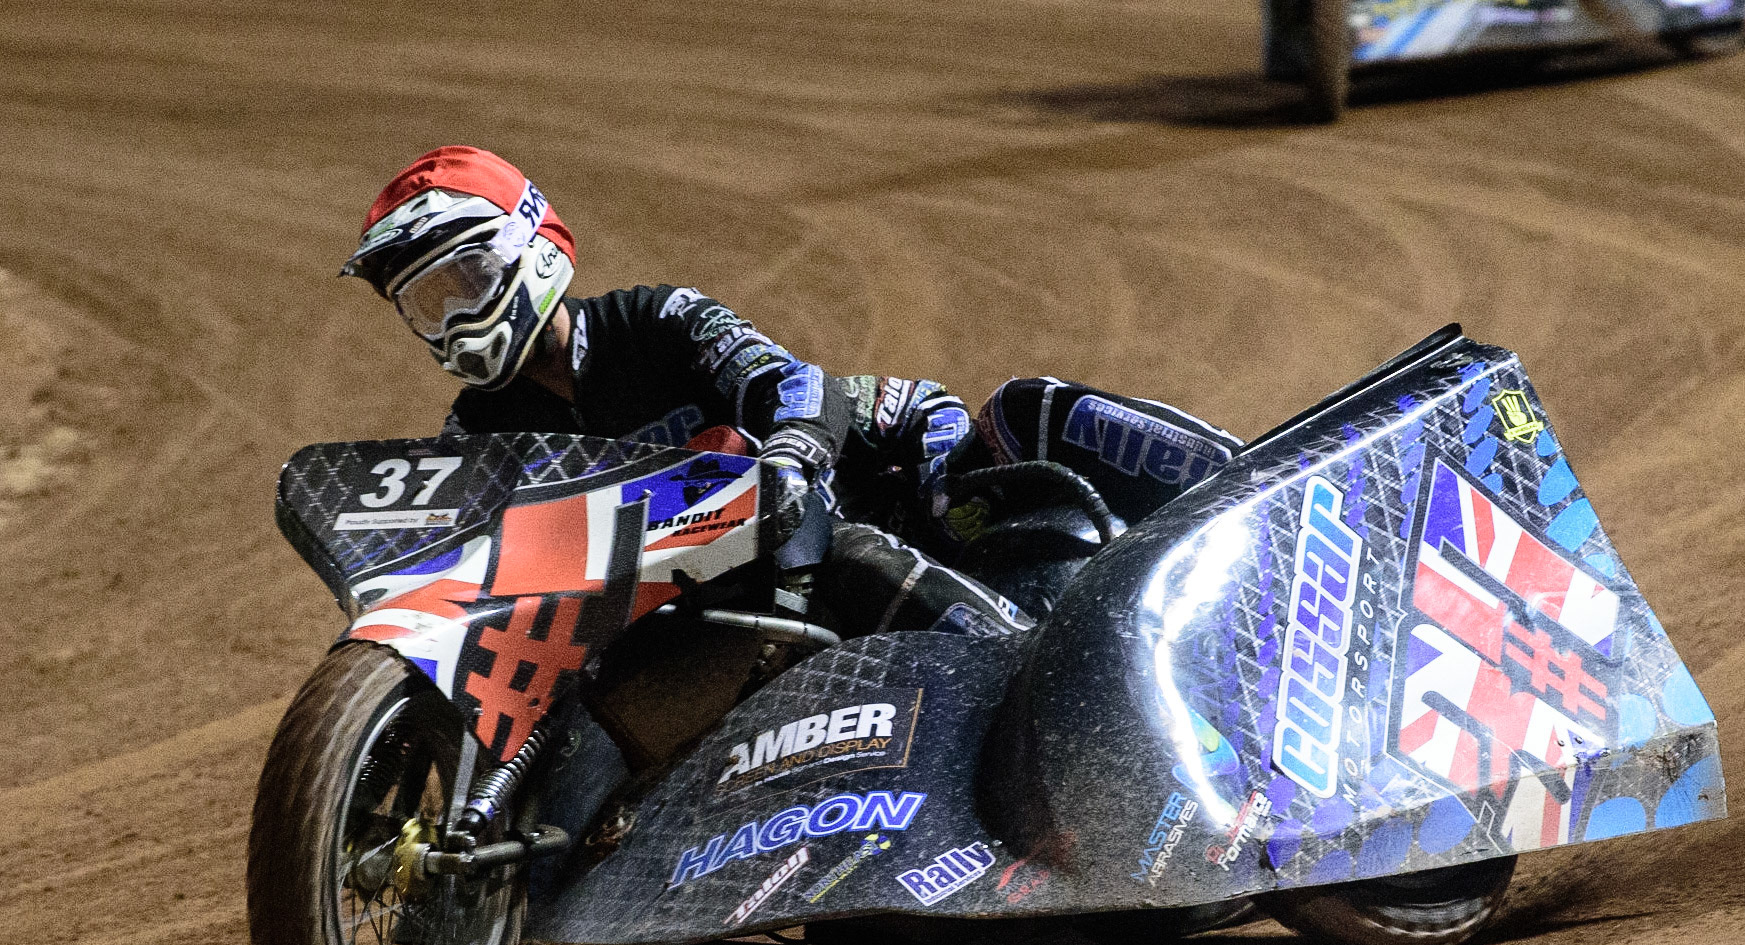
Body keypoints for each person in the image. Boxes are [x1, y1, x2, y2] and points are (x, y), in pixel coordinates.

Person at [340, 146, 1241, 635]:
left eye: (458, 283)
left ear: (527, 253)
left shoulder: (657, 320)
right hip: (740, 600)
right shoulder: (480, 430)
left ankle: (1255, 490)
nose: (450, 320)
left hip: (891, 477)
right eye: (422, 305)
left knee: (1022, 412)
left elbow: (792, 381)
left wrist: (794, 451)